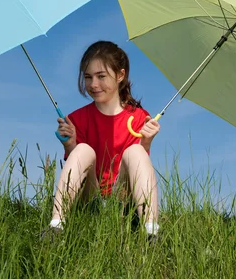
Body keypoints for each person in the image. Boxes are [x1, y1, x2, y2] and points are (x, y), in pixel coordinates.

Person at [46, 40, 161, 241]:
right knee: (82, 150)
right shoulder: (77, 120)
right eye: (88, 77)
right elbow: (78, 168)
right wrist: (69, 144)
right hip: (90, 198)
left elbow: (139, 167)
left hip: (123, 198)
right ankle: (57, 226)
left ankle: (150, 231)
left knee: (135, 152)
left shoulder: (140, 118)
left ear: (120, 76)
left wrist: (147, 142)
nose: (93, 84)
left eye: (101, 76)